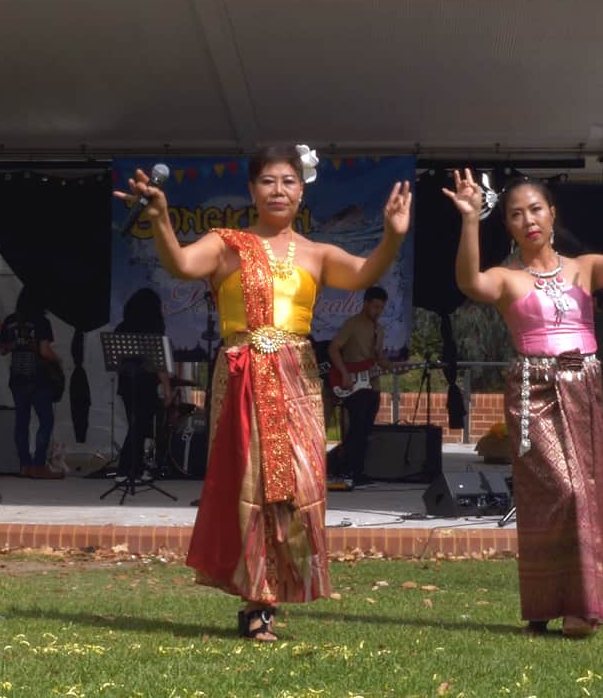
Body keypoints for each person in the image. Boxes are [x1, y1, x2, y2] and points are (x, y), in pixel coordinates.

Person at [115, 145, 411, 641]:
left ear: (301, 189)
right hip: (245, 375)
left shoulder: (315, 254)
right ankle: (258, 604)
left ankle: (283, 583)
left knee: (297, 484)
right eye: (269, 181)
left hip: (297, 378)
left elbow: (364, 273)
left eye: (289, 181)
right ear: (253, 190)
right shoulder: (226, 243)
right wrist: (162, 219)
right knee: (251, 487)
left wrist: (392, 238)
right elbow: (183, 265)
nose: (279, 190)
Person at [446, 159, 603, 637]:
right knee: (557, 491)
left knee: (591, 491)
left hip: (584, 388)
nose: (528, 220)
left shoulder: (584, 269)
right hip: (535, 390)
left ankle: (576, 607)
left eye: (535, 210)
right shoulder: (507, 278)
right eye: (515, 214)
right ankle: (547, 600)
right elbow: (470, 282)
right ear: (506, 224)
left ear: (553, 213)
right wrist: (470, 219)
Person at [0, 287, 64, 479]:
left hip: (17, 378)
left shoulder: (10, 321)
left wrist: (15, 344)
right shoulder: (42, 322)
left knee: (21, 423)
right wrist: (58, 361)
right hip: (39, 378)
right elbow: (44, 351)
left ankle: (24, 466)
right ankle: (39, 466)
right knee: (45, 421)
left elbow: (1, 350)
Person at [328, 285, 390, 487]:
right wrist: (345, 374)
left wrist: (393, 366)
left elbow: (378, 357)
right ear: (365, 304)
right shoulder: (352, 324)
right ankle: (345, 469)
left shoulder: (379, 330)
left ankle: (359, 472)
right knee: (355, 429)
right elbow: (333, 349)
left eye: (381, 308)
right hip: (353, 385)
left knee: (365, 430)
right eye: (374, 306)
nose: (378, 311)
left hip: (373, 386)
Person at [114, 288, 174, 483]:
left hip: (127, 382)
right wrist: (166, 388)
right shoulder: (154, 327)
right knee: (140, 426)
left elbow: (117, 361)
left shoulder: (122, 328)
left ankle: (132, 470)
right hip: (146, 383)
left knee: (135, 425)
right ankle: (128, 470)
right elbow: (158, 363)